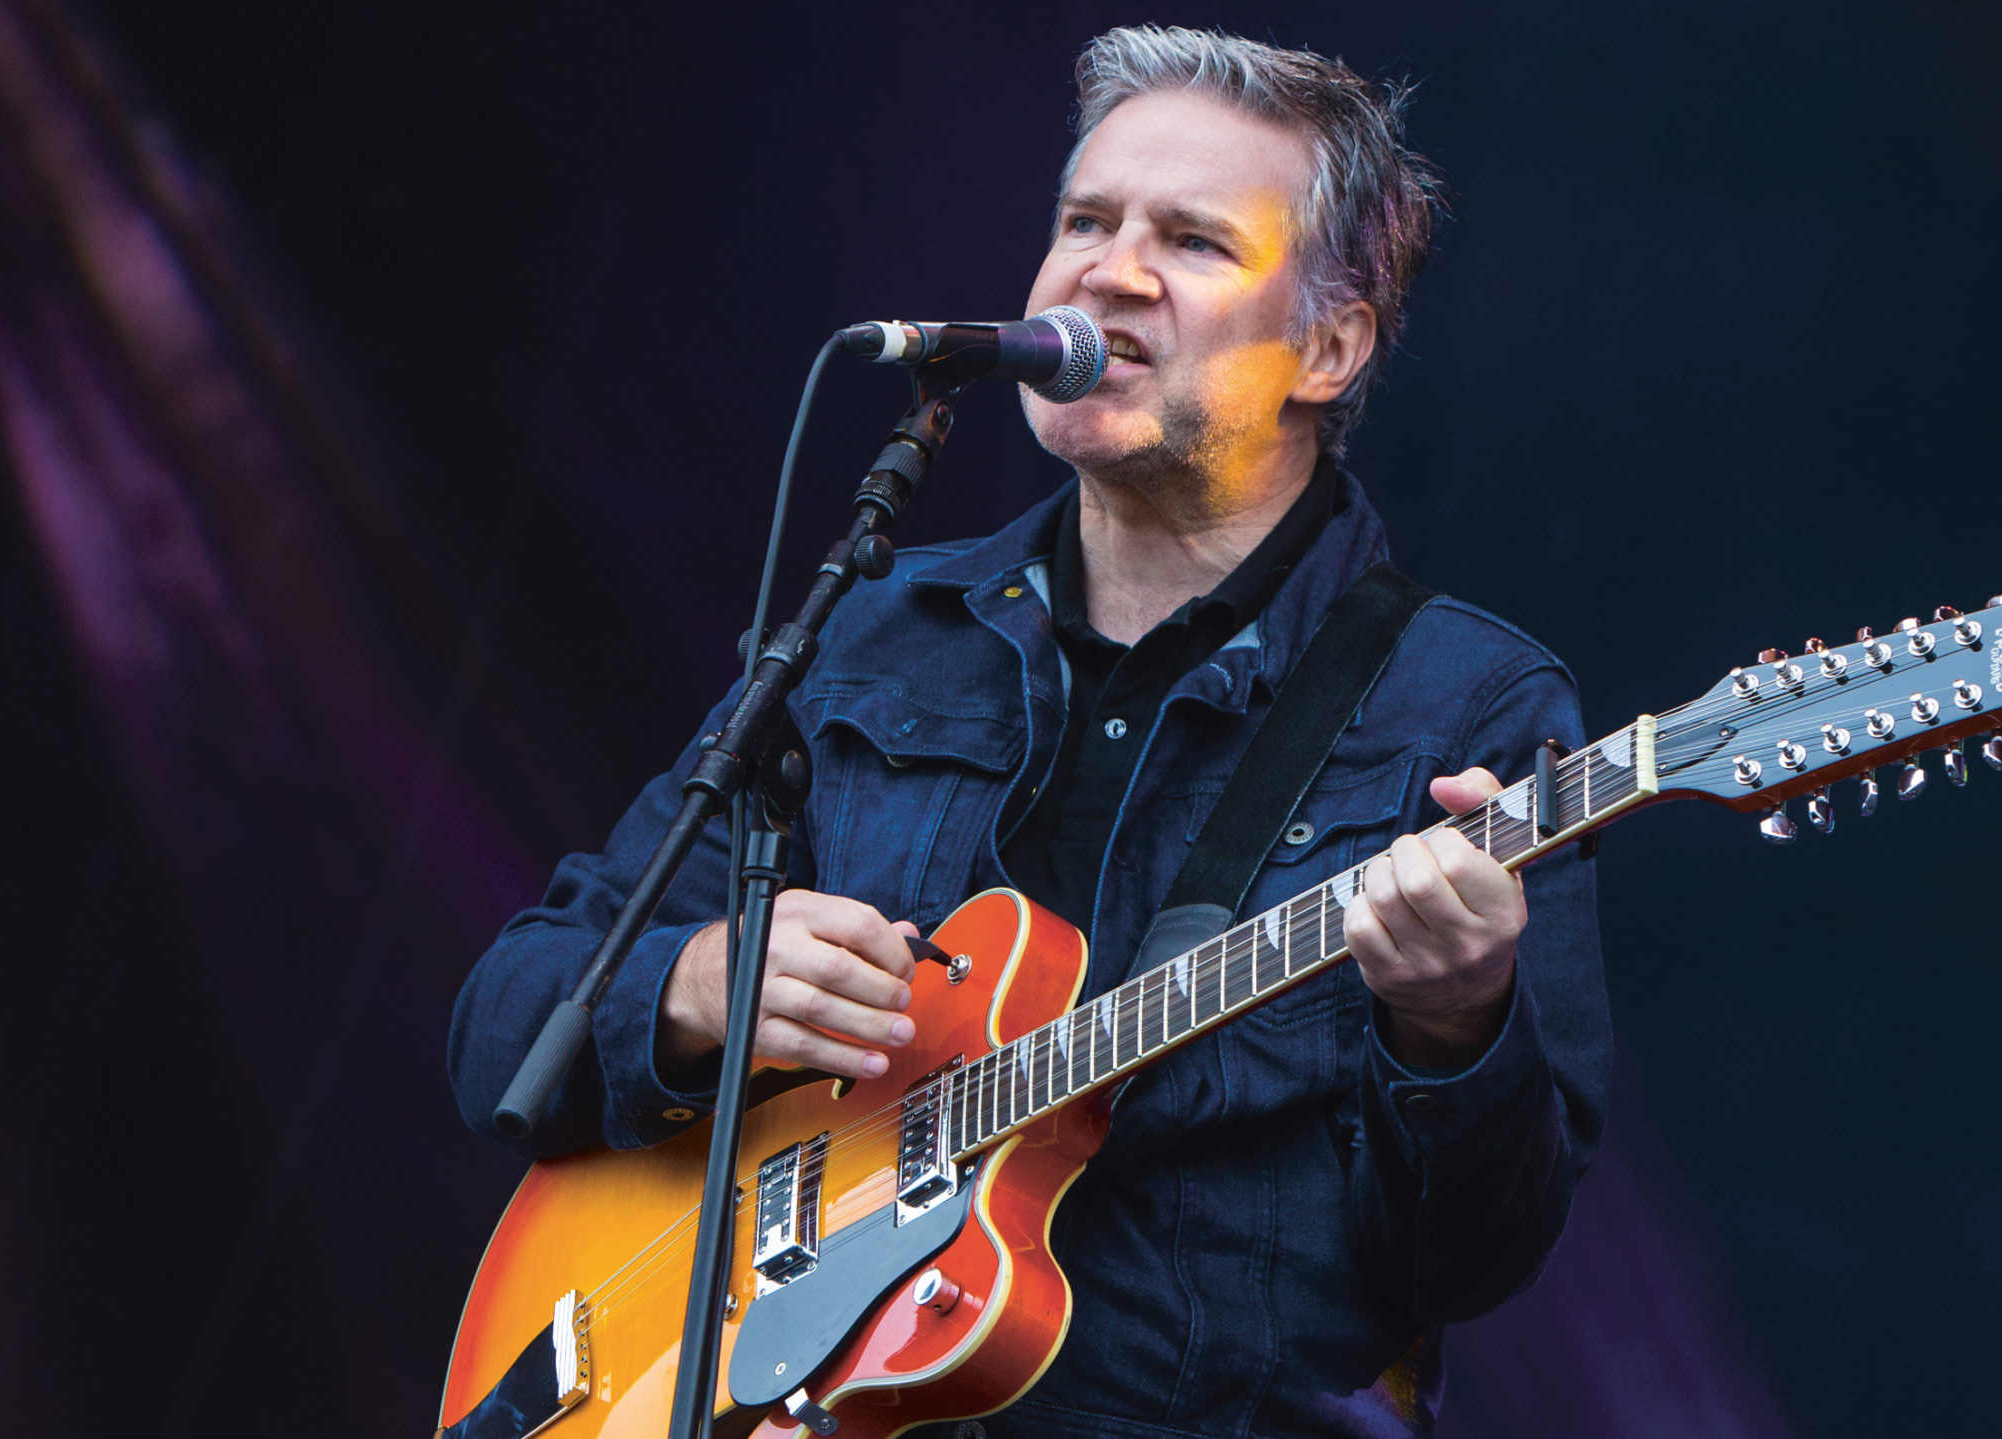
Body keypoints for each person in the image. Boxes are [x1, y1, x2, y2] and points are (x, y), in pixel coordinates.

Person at [450, 25, 1610, 1438]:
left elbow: (1476, 1256)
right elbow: (508, 1023)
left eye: (1188, 240)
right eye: (1084, 220)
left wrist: (1455, 1022)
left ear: (1327, 345)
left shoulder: (1463, 705)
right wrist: (696, 987)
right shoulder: (869, 633)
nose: (1107, 270)